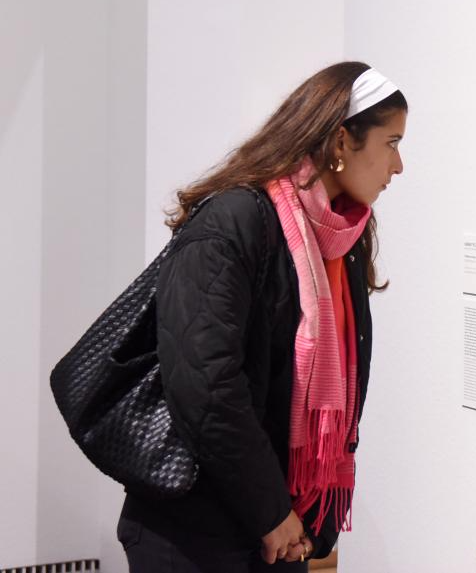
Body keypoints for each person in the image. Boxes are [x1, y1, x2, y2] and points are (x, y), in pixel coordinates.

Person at [116, 62, 407, 571]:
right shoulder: (234, 220)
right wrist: (271, 512)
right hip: (194, 533)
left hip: (276, 529)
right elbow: (205, 385)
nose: (398, 165)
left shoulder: (341, 242)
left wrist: (291, 520)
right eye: (392, 143)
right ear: (342, 141)